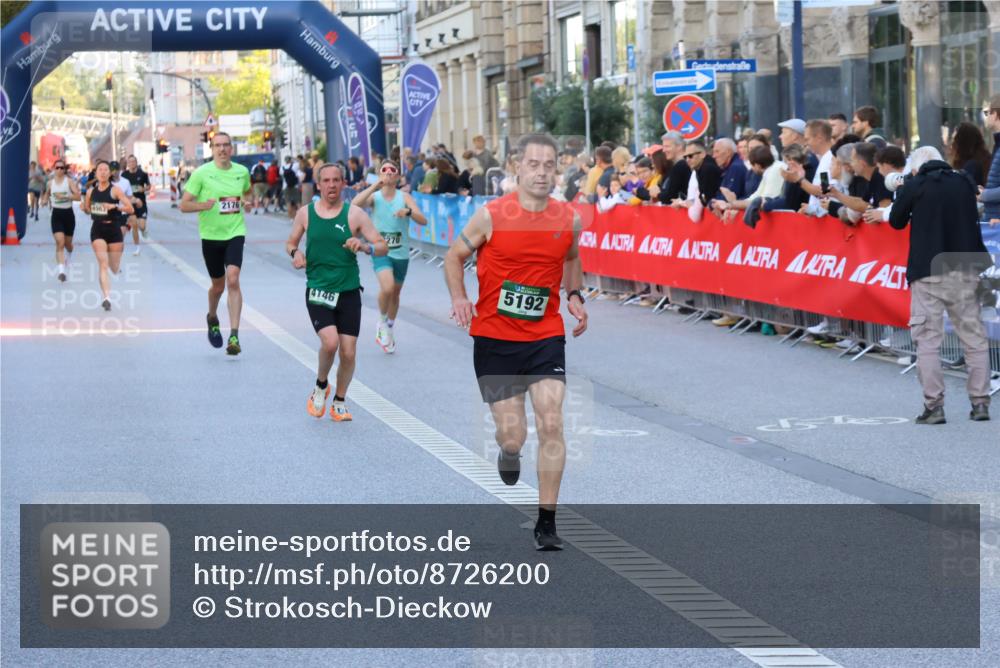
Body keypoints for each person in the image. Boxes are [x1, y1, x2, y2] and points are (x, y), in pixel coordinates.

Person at [444, 133, 589, 551]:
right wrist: (459, 297)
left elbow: (572, 258)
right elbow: (454, 257)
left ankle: (547, 522)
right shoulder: (491, 216)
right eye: (534, 164)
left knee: (552, 420)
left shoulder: (568, 218)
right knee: (513, 436)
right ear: (517, 168)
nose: (542, 172)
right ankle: (508, 453)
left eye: (549, 165)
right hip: (495, 337)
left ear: (556, 170)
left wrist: (574, 295)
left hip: (545, 335)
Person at [889, 150, 992, 423]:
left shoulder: (915, 186)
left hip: (928, 270)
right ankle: (980, 403)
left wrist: (903, 191)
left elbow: (896, 221)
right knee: (974, 337)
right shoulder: (964, 182)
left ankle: (934, 407)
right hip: (965, 267)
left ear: (917, 168)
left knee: (928, 340)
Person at [286, 163, 388, 422]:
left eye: (336, 180)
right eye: (326, 181)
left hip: (348, 290)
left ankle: (339, 401)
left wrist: (364, 247)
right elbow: (291, 242)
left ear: (344, 184)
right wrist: (295, 253)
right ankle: (321, 385)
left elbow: (382, 246)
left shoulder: (354, 215)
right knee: (330, 343)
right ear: (318, 185)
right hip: (319, 289)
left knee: (349, 351)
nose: (331, 185)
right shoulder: (305, 213)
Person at [179, 131, 253, 356]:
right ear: (212, 149)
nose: (222, 149)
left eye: (226, 145)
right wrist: (203, 206)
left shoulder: (242, 172)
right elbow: (184, 205)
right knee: (218, 286)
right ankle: (212, 316)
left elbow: (247, 192)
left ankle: (234, 335)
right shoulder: (202, 174)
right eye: (217, 145)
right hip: (211, 237)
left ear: (231, 148)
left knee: (233, 280)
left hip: (235, 233)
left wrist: (247, 202)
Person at [352, 160, 428, 353]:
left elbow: (423, 220)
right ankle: (382, 321)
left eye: (391, 170)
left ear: (398, 176)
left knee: (395, 292)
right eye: (384, 170)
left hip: (401, 252)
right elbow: (354, 205)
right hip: (380, 250)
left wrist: (408, 212)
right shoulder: (375, 197)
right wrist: (373, 186)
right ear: (379, 174)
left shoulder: (404, 197)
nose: (387, 173)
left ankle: (390, 327)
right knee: (387, 287)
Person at [82, 160, 134, 311]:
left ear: (109, 173)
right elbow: (88, 209)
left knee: (114, 266)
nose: (103, 172)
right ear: (96, 173)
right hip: (98, 229)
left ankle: (114, 271)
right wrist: (84, 208)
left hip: (114, 229)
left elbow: (130, 209)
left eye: (106, 170)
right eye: (100, 170)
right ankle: (107, 298)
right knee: (103, 264)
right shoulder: (91, 192)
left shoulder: (115, 190)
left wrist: (115, 206)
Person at [40, 159, 81, 282]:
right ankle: (61, 271)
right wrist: (45, 200)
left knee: (68, 244)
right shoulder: (50, 183)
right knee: (60, 242)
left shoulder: (69, 182)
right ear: (54, 169)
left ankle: (69, 255)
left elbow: (78, 196)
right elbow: (47, 193)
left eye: (61, 168)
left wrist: (66, 196)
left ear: (65, 169)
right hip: (56, 214)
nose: (59, 170)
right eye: (57, 167)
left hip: (68, 214)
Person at [122, 155, 152, 256]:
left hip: (141, 203)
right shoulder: (124, 175)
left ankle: (143, 230)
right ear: (127, 164)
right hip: (130, 204)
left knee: (141, 226)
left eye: (133, 162)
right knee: (134, 225)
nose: (131, 164)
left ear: (136, 162)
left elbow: (149, 186)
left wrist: (143, 189)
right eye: (129, 162)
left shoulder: (143, 174)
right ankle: (137, 248)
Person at [949, 122, 991, 187]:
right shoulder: (985, 159)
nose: (952, 145)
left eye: (954, 140)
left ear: (963, 144)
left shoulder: (971, 167)